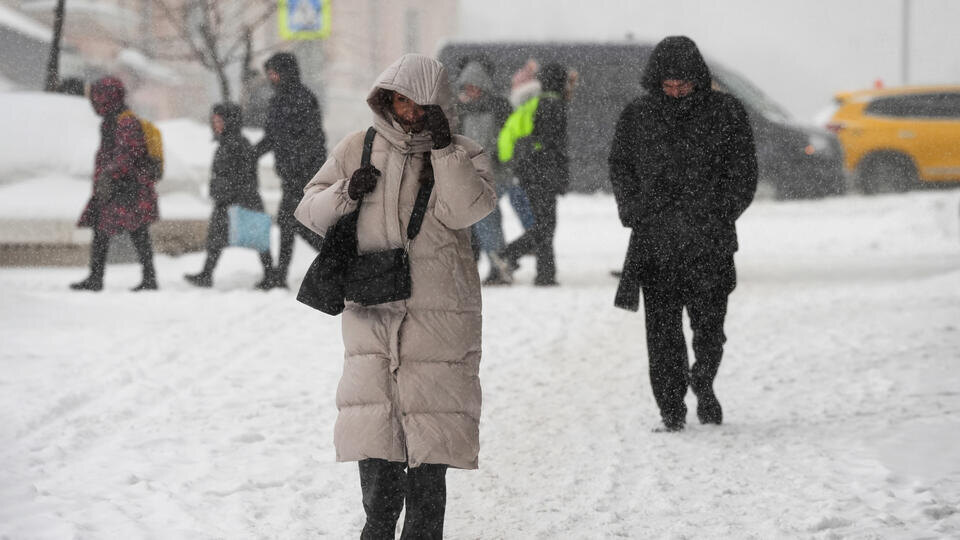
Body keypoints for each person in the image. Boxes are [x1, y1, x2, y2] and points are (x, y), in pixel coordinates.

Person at [294, 53, 496, 538]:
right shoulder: (356, 147)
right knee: (377, 441)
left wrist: (444, 150)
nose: (406, 111)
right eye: (398, 100)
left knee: (431, 447)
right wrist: (346, 190)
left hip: (439, 316)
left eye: (417, 102)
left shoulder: (466, 153)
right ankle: (378, 528)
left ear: (437, 103)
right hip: (373, 310)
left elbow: (468, 210)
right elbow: (308, 211)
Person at [609, 36, 758, 432]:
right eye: (668, 86)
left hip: (709, 242)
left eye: (683, 86)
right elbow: (620, 167)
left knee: (710, 328)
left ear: (698, 80)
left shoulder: (726, 113)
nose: (675, 93)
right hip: (655, 244)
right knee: (662, 336)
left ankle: (704, 380)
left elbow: (744, 171)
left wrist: (720, 211)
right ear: (656, 82)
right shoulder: (637, 115)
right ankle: (671, 409)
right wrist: (633, 209)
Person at [71, 76, 160, 292]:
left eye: (97, 97)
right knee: (119, 231)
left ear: (108, 97)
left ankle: (140, 279)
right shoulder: (111, 120)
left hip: (127, 188)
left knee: (132, 232)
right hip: (120, 187)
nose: (93, 101)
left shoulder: (125, 122)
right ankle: (102, 277)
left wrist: (110, 174)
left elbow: (127, 154)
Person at [492, 62, 570, 286]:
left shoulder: (534, 104)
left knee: (544, 223)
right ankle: (509, 254)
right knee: (546, 225)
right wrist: (559, 177)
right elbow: (554, 147)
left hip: (530, 173)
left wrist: (511, 160)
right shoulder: (554, 106)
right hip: (543, 174)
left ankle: (545, 274)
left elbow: (513, 135)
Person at [253, 52, 326, 288]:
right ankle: (280, 276)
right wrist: (250, 154)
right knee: (291, 223)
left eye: (273, 72)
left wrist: (301, 169)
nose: (270, 77)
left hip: (303, 175)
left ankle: (337, 260)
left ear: (285, 73)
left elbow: (313, 140)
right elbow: (273, 137)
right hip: (290, 174)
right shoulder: (279, 100)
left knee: (294, 223)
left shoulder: (303, 99)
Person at [184, 103, 274, 289]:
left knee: (256, 237)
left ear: (229, 121)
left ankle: (270, 275)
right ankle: (207, 274)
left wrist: (227, 193)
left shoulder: (236, 143)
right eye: (214, 121)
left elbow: (242, 174)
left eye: (219, 121)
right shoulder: (230, 141)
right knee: (218, 238)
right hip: (230, 199)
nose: (215, 124)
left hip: (237, 200)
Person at [455, 60, 514, 285]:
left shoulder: (497, 108)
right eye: (466, 87)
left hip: (492, 175)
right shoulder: (462, 111)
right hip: (471, 177)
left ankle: (498, 266)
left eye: (474, 86)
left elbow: (507, 141)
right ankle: (494, 265)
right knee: (480, 223)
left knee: (486, 222)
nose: (470, 91)